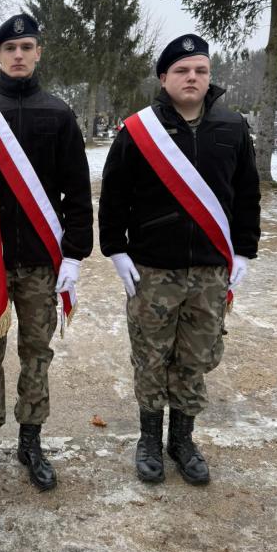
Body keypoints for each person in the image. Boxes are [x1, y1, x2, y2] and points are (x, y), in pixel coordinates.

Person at [99, 34, 260, 485]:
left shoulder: (232, 128)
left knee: (195, 357)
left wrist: (244, 248)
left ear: (210, 77)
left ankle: (182, 440)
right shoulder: (138, 131)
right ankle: (149, 438)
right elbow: (114, 197)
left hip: (210, 270)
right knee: (150, 356)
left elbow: (246, 194)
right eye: (182, 71)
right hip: (153, 269)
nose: (193, 78)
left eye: (201, 71)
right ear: (163, 78)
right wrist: (115, 249)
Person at [0, 13, 93, 492]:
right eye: (9, 49)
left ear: (38, 54)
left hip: (38, 261)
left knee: (36, 353)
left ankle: (31, 441)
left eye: (27, 47)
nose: (18, 55)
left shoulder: (58, 114)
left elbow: (76, 190)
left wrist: (73, 255)